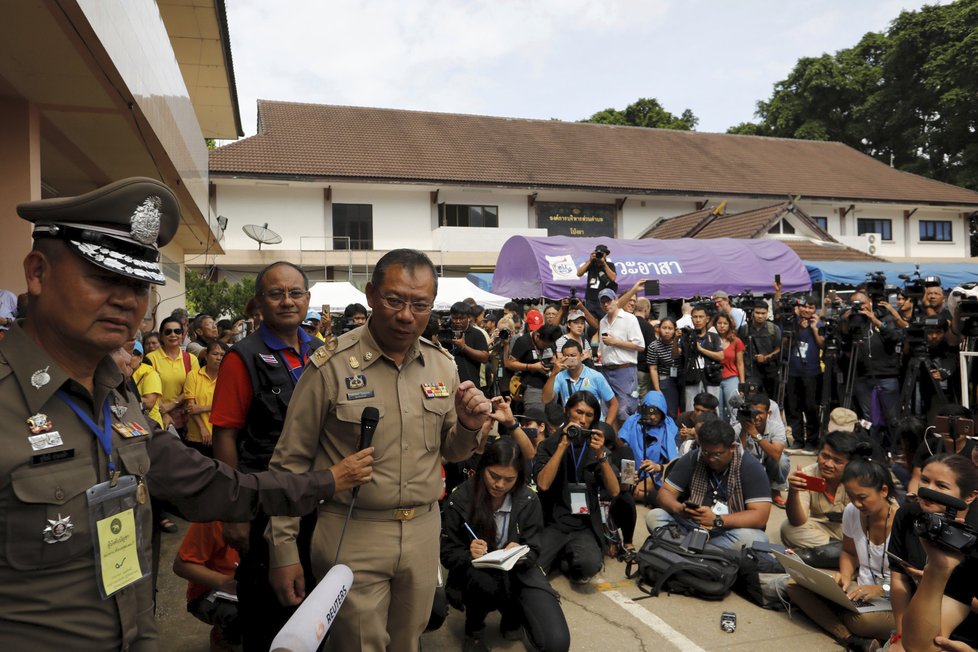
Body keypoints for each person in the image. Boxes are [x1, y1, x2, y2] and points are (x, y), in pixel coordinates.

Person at [0, 176, 373, 650]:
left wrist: (326, 481)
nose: (127, 300)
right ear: (38, 272)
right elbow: (227, 435)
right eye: (105, 277)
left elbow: (208, 484)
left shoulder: (115, 397)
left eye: (140, 284)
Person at [265, 249, 491, 652]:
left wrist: (471, 427)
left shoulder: (442, 365)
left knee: (408, 642)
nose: (407, 315)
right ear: (371, 294)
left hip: (422, 530)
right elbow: (289, 462)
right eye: (394, 300)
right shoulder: (331, 365)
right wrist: (283, 548)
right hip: (352, 531)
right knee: (357, 645)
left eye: (420, 304)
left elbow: (450, 451)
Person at [210, 261, 326, 652]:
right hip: (264, 502)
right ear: (260, 302)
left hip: (320, 498)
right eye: (276, 293)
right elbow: (225, 434)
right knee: (270, 613)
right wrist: (235, 511)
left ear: (308, 299)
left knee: (318, 607)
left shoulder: (322, 351)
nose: (287, 301)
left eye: (296, 293)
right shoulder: (242, 357)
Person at [441, 438, 570, 652]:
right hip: (475, 576)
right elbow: (446, 553)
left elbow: (535, 548)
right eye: (494, 476)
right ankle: (474, 630)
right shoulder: (460, 498)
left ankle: (513, 615)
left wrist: (521, 553)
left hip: (518, 572)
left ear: (519, 477)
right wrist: (469, 554)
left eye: (509, 479)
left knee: (556, 643)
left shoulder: (528, 499)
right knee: (486, 583)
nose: (499, 485)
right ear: (483, 468)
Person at [786, 446, 898, 651]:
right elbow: (848, 552)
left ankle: (843, 629)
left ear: (884, 490)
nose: (856, 503)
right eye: (851, 496)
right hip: (859, 593)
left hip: (894, 602)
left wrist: (881, 589)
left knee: (862, 622)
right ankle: (850, 638)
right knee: (794, 585)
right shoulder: (852, 511)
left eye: (862, 497)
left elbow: (915, 582)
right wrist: (845, 576)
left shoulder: (902, 522)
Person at [888, 454, 978, 651]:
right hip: (919, 617)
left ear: (970, 496)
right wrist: (901, 635)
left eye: (942, 486)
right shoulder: (909, 515)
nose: (929, 490)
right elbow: (899, 580)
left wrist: (935, 575)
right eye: (925, 480)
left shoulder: (972, 540)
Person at [645, 418, 772, 550]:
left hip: (729, 530)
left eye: (717, 454)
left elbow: (760, 516)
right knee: (654, 516)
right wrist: (679, 508)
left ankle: (689, 550)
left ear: (732, 447)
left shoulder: (750, 466)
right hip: (691, 525)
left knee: (757, 539)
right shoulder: (693, 458)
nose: (711, 458)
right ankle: (706, 553)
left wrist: (717, 520)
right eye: (706, 452)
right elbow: (664, 493)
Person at [534, 391, 620, 583]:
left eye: (589, 415)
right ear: (567, 412)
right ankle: (559, 553)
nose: (582, 420)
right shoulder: (549, 445)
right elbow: (543, 484)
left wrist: (601, 457)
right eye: (578, 412)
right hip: (553, 523)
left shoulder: (597, 448)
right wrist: (563, 444)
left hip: (583, 525)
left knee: (589, 566)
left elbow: (614, 491)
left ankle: (565, 557)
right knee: (534, 568)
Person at [781, 430, 859, 561]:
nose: (828, 464)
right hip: (825, 529)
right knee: (788, 529)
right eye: (825, 456)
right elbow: (798, 521)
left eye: (837, 461)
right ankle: (846, 552)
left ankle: (828, 553)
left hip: (856, 529)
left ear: (850, 464)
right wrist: (794, 492)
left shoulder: (860, 477)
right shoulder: (807, 474)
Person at [172, 521, 242, 651]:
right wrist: (224, 582)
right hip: (212, 591)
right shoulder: (216, 516)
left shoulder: (279, 516)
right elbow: (181, 565)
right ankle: (224, 641)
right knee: (243, 618)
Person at [617, 391, 679, 505]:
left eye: (657, 413)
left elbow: (675, 464)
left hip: (656, 474)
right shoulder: (632, 421)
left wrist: (657, 467)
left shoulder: (669, 427)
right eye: (649, 412)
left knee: (642, 491)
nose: (653, 417)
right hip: (632, 472)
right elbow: (619, 447)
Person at [597, 288, 645, 426]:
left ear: (616, 300)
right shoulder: (603, 321)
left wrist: (616, 342)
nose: (606, 304)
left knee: (625, 410)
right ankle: (612, 442)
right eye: (603, 302)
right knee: (606, 410)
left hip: (625, 370)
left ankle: (628, 444)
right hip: (606, 370)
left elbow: (640, 346)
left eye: (608, 301)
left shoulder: (630, 319)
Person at [732, 393, 790, 505]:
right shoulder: (739, 427)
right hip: (749, 467)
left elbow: (777, 454)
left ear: (769, 413)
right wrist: (744, 430)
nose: (756, 417)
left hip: (768, 464)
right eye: (753, 412)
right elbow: (737, 457)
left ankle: (775, 491)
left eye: (760, 413)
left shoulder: (776, 426)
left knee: (782, 461)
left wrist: (755, 434)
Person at [784, 296, 825, 453]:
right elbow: (785, 344)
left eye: (811, 307)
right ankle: (798, 440)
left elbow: (822, 344)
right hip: (792, 371)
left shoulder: (818, 324)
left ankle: (812, 441)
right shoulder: (792, 323)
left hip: (811, 372)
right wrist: (795, 325)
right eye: (804, 307)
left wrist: (814, 328)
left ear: (815, 309)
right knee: (794, 407)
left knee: (810, 407)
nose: (807, 310)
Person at [542, 339, 618, 423]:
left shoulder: (596, 376)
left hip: (593, 425)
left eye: (573, 355)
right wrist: (553, 373)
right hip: (571, 425)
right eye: (566, 356)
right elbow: (546, 399)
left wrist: (605, 428)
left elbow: (614, 404)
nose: (570, 359)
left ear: (581, 356)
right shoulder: (560, 376)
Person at [147, 314, 199, 433]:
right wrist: (163, 411)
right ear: (161, 335)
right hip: (157, 418)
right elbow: (149, 390)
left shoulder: (191, 359)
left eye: (177, 331)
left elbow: (193, 388)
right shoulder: (150, 359)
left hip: (185, 419)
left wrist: (173, 404)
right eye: (168, 332)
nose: (173, 335)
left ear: (182, 334)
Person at [183, 340, 228, 456]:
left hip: (221, 436)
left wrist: (202, 408)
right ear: (206, 356)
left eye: (222, 355)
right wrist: (202, 429)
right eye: (215, 354)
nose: (219, 358)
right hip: (196, 435)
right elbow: (190, 407)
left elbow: (227, 407)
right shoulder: (193, 375)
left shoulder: (228, 378)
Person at [506, 321, 562, 414]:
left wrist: (554, 363)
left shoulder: (550, 339)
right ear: (537, 335)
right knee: (535, 417)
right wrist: (532, 367)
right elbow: (510, 364)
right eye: (544, 345)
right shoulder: (523, 341)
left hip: (550, 385)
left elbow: (553, 357)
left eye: (549, 345)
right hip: (531, 386)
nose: (546, 347)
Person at [681, 304, 724, 411]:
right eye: (695, 317)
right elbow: (677, 354)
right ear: (691, 319)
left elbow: (720, 356)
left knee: (714, 408)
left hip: (710, 376)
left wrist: (701, 349)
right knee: (690, 408)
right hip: (692, 376)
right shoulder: (686, 336)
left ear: (707, 319)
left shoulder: (713, 336)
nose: (698, 320)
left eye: (701, 317)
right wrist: (676, 340)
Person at [448, 301, 490, 389]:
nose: (457, 321)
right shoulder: (446, 333)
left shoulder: (476, 333)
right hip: (448, 383)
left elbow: (484, 357)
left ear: (469, 318)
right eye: (455, 318)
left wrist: (464, 347)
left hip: (470, 384)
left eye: (461, 318)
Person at [647, 316, 682, 420]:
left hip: (681, 379)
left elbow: (676, 354)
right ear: (658, 329)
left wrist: (676, 339)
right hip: (665, 380)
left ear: (675, 330)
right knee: (670, 412)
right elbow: (653, 368)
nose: (667, 331)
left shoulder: (680, 342)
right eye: (664, 327)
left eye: (670, 328)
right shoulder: (654, 346)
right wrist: (658, 389)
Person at [714, 312, 746, 421]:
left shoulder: (736, 341)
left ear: (729, 325)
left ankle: (735, 435)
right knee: (718, 410)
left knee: (734, 409)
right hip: (714, 379)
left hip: (731, 377)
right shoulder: (710, 339)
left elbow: (740, 363)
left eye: (725, 323)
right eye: (719, 323)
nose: (722, 326)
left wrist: (742, 384)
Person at [131, 340, 164, 428]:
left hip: (150, 424)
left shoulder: (150, 374)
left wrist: (124, 398)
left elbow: (149, 402)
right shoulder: (122, 373)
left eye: (132, 354)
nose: (128, 358)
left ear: (141, 358)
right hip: (132, 423)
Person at [576, 243, 617, 316]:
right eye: (598, 253)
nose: (600, 255)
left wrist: (604, 263)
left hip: (603, 300)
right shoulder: (591, 263)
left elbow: (613, 278)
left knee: (603, 320)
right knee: (590, 322)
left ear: (606, 255)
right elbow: (579, 273)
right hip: (590, 299)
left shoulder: (609, 265)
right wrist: (589, 260)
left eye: (602, 253)